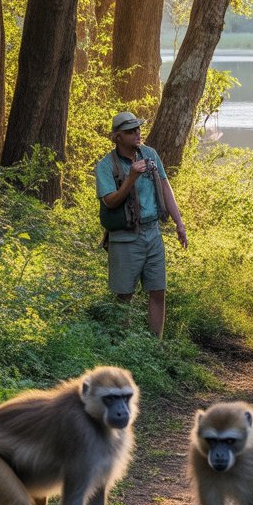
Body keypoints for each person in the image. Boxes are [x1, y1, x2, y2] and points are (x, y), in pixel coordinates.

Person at [95, 111, 187, 339]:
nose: (137, 133)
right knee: (124, 295)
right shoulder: (105, 166)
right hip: (125, 238)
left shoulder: (150, 154)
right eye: (130, 131)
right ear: (117, 137)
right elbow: (110, 201)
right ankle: (121, 347)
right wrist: (131, 177)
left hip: (152, 233)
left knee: (158, 291)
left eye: (138, 129)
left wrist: (179, 223)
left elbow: (165, 188)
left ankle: (155, 346)